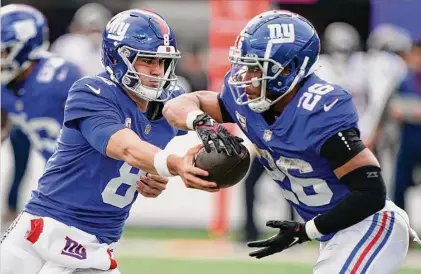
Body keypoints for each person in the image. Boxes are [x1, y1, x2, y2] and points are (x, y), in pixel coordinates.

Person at [162, 10, 420, 273]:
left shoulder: (319, 110)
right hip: (337, 234)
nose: (245, 77)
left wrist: (306, 230)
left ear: (288, 69)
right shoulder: (246, 100)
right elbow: (177, 105)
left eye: (256, 67)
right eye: (244, 65)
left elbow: (371, 193)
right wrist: (200, 122)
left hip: (368, 225)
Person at [0, 9, 218, 274]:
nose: (157, 71)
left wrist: (164, 165)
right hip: (50, 227)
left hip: (97, 240)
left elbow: (213, 106)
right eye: (146, 60)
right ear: (118, 58)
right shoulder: (92, 91)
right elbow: (125, 146)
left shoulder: (170, 104)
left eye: (162, 62)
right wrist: (171, 163)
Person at [0, 4, 83, 227]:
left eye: (3, 52)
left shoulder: (59, 76)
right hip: (56, 181)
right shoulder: (6, 86)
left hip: (86, 178)